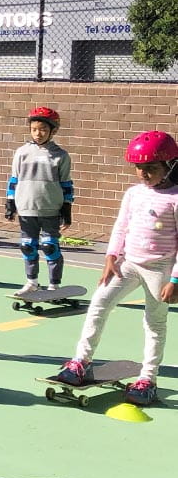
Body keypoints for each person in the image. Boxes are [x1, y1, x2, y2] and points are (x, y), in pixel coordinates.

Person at [50, 131, 178, 406]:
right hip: (128, 263)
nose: (143, 174)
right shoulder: (133, 194)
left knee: (154, 323)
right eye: (139, 167)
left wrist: (175, 279)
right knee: (99, 304)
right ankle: (80, 362)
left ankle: (148, 378)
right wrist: (111, 257)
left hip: (161, 268)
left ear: (170, 167)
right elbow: (121, 227)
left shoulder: (175, 198)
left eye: (151, 168)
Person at [6, 106, 74, 297]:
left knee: (49, 246)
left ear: (53, 131)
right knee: (27, 245)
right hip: (26, 207)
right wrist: (10, 202)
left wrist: (67, 208)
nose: (38, 133)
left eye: (43, 129)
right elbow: (14, 179)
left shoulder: (60, 155)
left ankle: (54, 285)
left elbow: (67, 183)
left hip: (50, 208)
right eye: (34, 129)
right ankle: (32, 282)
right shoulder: (21, 152)